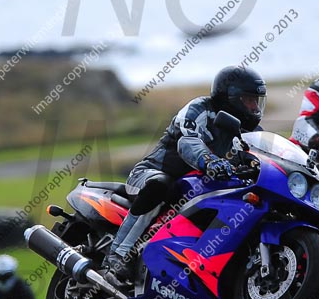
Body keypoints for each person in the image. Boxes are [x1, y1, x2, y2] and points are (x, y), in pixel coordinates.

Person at [104, 66, 267, 285]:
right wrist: (210, 161)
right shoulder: (199, 109)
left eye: (257, 101)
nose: (255, 107)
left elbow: (266, 155)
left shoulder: (251, 133)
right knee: (161, 184)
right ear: (231, 98)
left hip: (194, 191)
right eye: (249, 100)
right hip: (149, 174)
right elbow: (187, 142)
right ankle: (116, 257)